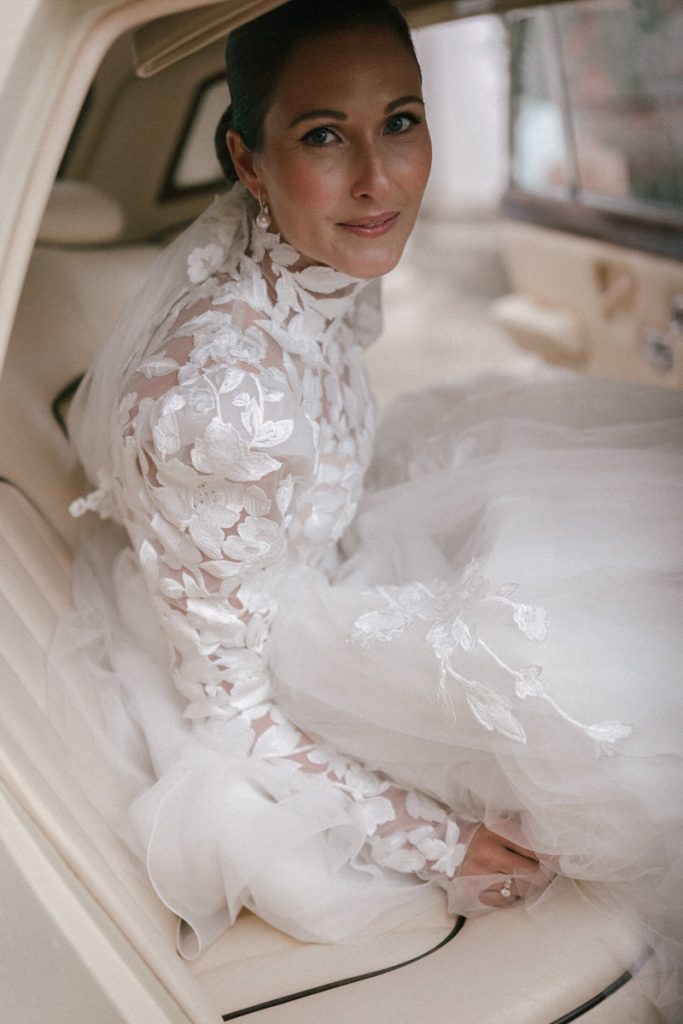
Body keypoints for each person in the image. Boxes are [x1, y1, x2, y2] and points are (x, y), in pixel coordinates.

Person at [50, 0, 683, 1015]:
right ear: (246, 161)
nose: (376, 178)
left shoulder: (309, 267)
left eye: (399, 120)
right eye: (319, 136)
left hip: (324, 564)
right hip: (256, 681)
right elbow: (231, 712)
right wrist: (438, 840)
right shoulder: (217, 413)